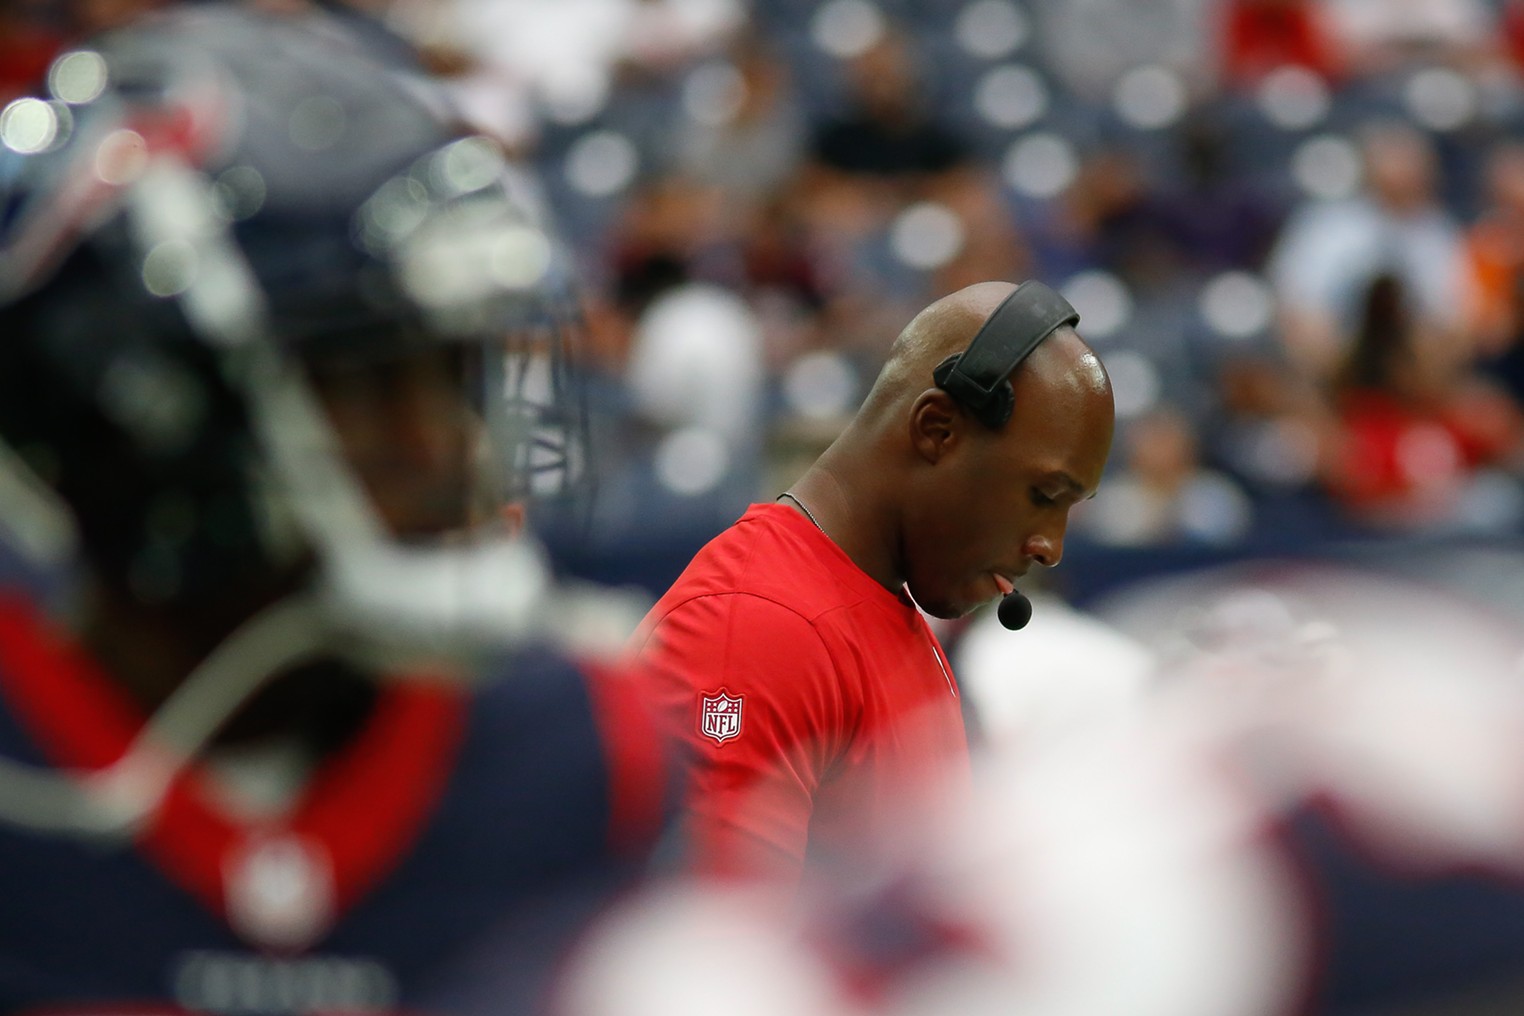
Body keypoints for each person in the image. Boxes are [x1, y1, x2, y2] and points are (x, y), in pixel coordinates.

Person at [0, 6, 668, 1013]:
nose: (451, 446)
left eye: (455, 379)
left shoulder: (585, 757)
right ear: (140, 408)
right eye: (366, 383)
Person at [625, 279, 1115, 884]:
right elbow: (714, 957)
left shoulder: (888, 615)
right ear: (937, 429)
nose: (1051, 546)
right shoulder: (754, 624)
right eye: (1042, 495)